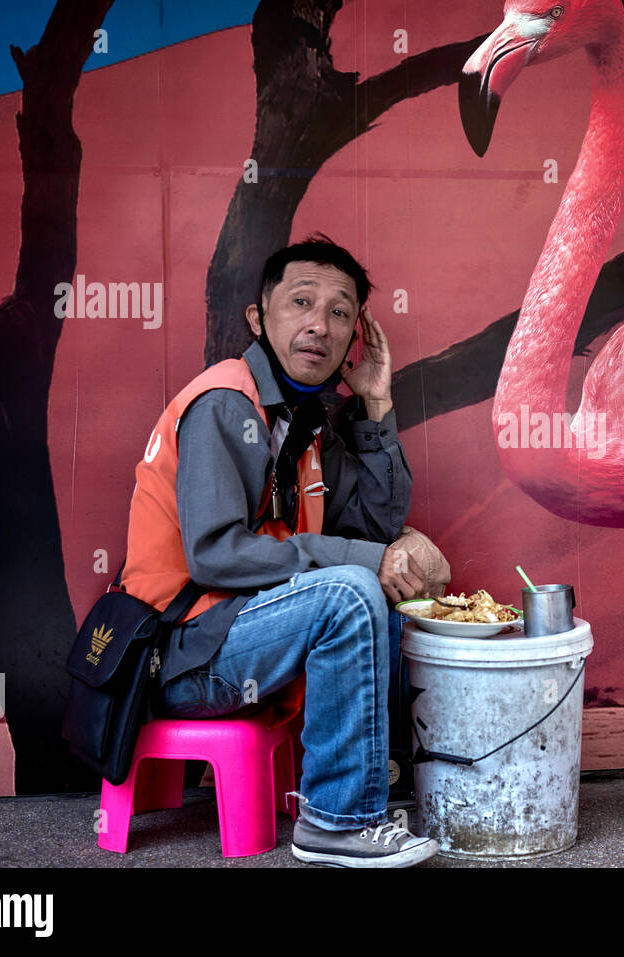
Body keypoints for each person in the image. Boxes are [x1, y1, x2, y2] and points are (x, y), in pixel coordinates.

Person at [120, 233, 440, 867]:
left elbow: (375, 525)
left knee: (372, 580)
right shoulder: (224, 404)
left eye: (341, 312)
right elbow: (214, 555)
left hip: (242, 639)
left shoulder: (306, 424)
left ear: (356, 338)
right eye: (300, 302)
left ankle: (358, 796)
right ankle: (337, 821)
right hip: (182, 655)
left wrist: (376, 402)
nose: (319, 325)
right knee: (350, 591)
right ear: (258, 317)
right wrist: (354, 562)